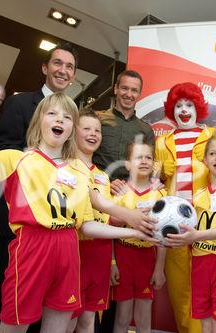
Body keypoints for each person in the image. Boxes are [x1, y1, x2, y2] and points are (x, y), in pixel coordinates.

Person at [0, 83, 155, 333]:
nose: (60, 119)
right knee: (15, 324)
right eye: (52, 113)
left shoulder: (78, 171)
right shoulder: (17, 158)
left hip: (69, 248)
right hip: (31, 247)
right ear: (39, 121)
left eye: (67, 116)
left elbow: (90, 219)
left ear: (72, 129)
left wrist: (134, 228)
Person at [0, 42, 78, 333]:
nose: (62, 70)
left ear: (74, 76)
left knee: (52, 307)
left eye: (69, 67)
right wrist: (38, 159)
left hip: (59, 228)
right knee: (11, 299)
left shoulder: (73, 116)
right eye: (57, 63)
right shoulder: (19, 103)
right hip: (21, 222)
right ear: (45, 68)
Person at [68, 110, 154, 333]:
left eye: (97, 130)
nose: (93, 134)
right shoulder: (66, 168)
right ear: (72, 132)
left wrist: (144, 214)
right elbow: (87, 217)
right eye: (86, 128)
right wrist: (133, 223)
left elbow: (110, 217)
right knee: (66, 319)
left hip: (100, 253)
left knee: (88, 319)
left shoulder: (103, 177)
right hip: (74, 251)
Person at [166, 132, 216, 333]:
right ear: (204, 160)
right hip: (201, 263)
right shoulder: (200, 194)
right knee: (205, 326)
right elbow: (189, 228)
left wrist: (197, 236)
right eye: (212, 153)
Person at [93, 69, 156, 331]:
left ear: (139, 94)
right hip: (98, 199)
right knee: (99, 273)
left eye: (134, 90)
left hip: (132, 202)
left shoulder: (146, 129)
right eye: (125, 88)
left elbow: (149, 167)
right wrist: (108, 183)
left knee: (120, 296)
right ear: (116, 89)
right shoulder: (98, 120)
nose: (129, 94)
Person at [154, 82, 216, 333]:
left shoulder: (212, 136)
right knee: (180, 291)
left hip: (205, 223)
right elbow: (155, 184)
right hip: (173, 225)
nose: (183, 110)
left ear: (197, 108)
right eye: (178, 105)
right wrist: (159, 177)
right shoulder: (162, 143)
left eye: (189, 105)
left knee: (206, 289)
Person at [110, 141, 166, 333]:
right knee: (123, 316)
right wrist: (112, 263)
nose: (144, 161)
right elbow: (107, 230)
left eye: (148, 157)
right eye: (138, 157)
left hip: (147, 257)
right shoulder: (118, 193)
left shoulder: (161, 194)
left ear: (154, 163)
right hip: (123, 254)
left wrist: (159, 268)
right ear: (127, 164)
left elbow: (163, 238)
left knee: (143, 316)